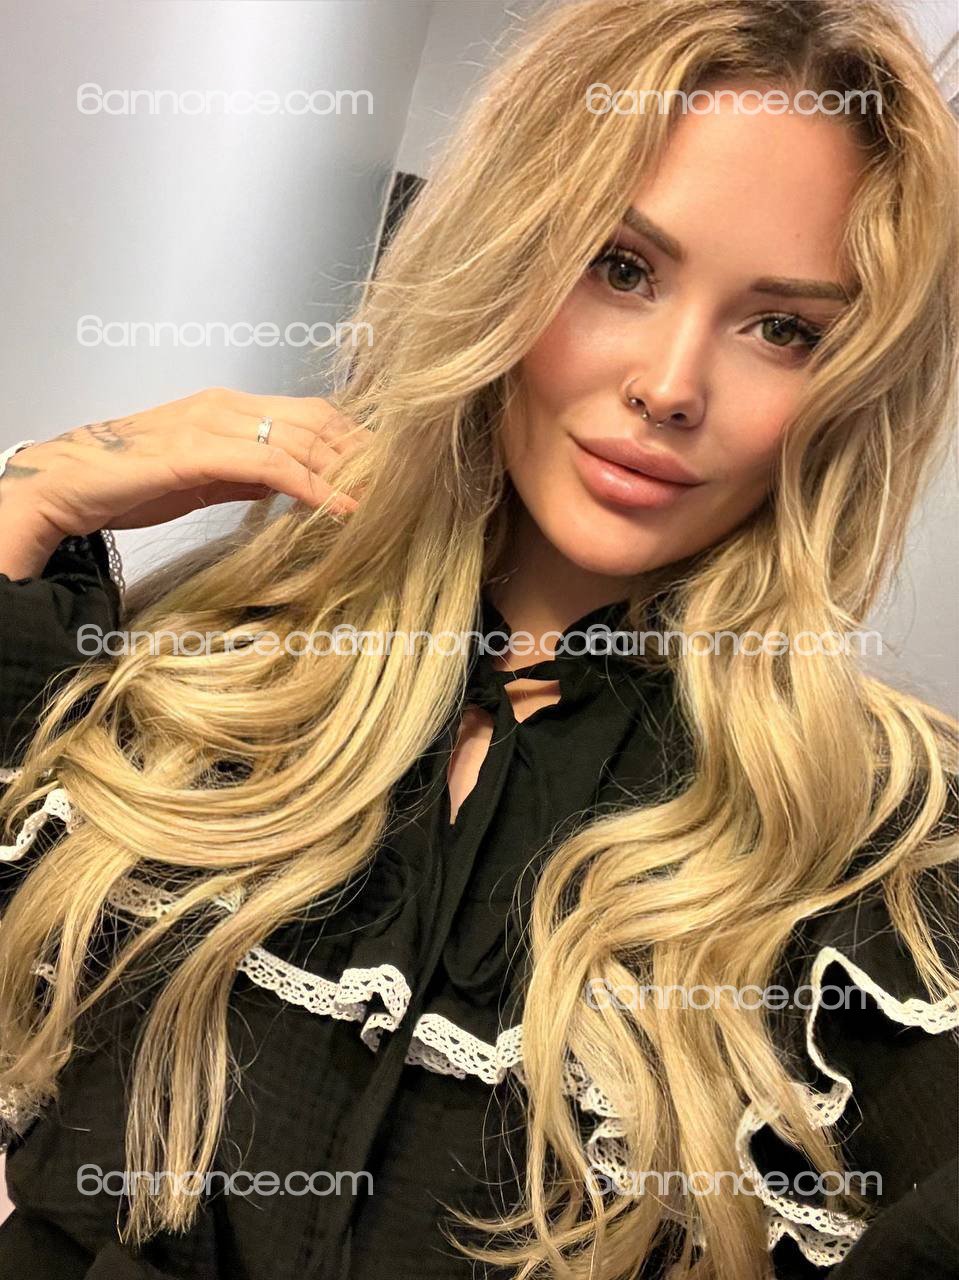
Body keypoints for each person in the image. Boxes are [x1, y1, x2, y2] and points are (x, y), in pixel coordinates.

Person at [0, 0, 957, 1277]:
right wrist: (28, 502)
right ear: (503, 255)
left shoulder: (881, 858)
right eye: (620, 266)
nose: (670, 385)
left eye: (781, 328)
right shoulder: (209, 672)